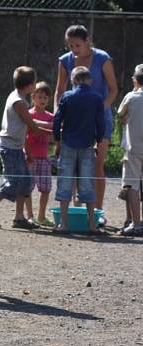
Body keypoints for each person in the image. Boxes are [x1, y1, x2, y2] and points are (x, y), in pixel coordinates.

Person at [54, 25, 117, 218]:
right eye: (70, 45)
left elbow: (113, 90)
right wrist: (59, 114)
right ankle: (77, 211)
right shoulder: (65, 61)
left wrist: (99, 110)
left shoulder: (102, 58)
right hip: (73, 120)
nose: (74, 49)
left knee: (96, 163)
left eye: (78, 44)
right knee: (72, 164)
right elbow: (59, 90)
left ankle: (97, 213)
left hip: (100, 117)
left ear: (87, 40)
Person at [0, 67, 52, 230]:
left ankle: (19, 217)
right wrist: (55, 131)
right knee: (11, 183)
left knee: (25, 182)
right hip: (9, 147)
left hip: (17, 147)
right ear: (29, 85)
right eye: (33, 82)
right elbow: (32, 126)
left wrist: (52, 128)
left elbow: (31, 123)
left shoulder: (18, 97)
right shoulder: (19, 102)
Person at [52, 67, 105, 235]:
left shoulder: (67, 96)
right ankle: (92, 225)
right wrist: (98, 140)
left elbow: (57, 119)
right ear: (90, 80)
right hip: (88, 145)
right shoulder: (97, 98)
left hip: (68, 144)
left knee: (65, 183)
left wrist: (57, 140)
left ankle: (64, 224)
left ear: (73, 81)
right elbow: (101, 123)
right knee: (87, 184)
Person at [117, 64, 143, 236]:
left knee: (132, 185)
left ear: (135, 79)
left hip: (134, 148)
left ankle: (136, 223)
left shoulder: (131, 96)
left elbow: (120, 113)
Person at [25, 82, 55, 227]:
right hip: (30, 157)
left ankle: (41, 216)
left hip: (44, 157)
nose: (42, 100)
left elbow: (55, 127)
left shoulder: (51, 116)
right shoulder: (28, 114)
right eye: (40, 97)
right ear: (33, 97)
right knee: (27, 188)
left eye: (45, 97)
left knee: (46, 188)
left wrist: (39, 124)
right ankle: (30, 216)